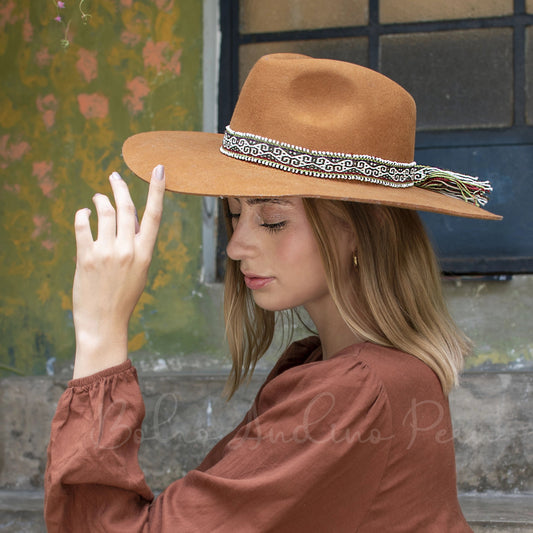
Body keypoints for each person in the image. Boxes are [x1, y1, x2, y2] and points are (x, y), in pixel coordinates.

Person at [44, 54, 501, 532]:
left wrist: (100, 331)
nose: (237, 245)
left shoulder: (357, 389)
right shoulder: (344, 368)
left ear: (364, 233)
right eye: (235, 214)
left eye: (272, 219)